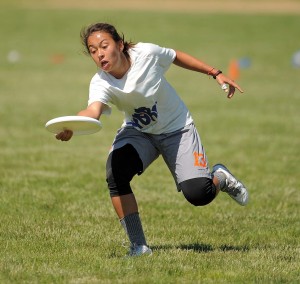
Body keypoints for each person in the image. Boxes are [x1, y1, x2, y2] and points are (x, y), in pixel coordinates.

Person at [55, 22, 249, 257]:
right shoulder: (101, 81)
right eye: (93, 50)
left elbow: (176, 56)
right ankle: (139, 246)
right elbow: (92, 111)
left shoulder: (146, 54)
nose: (99, 54)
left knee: (199, 194)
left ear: (119, 44)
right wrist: (71, 125)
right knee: (115, 173)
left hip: (177, 128)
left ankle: (219, 177)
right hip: (139, 131)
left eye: (104, 46)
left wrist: (215, 73)